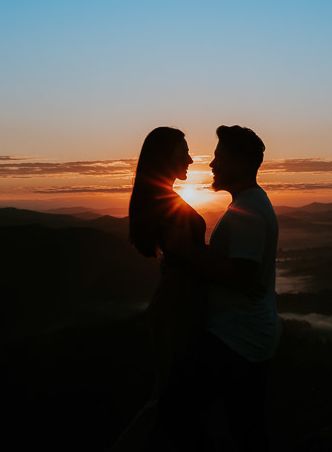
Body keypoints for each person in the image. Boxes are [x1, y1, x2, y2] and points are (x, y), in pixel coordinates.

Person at [159, 125, 280, 452]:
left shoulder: (249, 211)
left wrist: (187, 251)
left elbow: (242, 276)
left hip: (235, 338)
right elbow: (243, 274)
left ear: (240, 162)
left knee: (175, 411)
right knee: (246, 427)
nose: (211, 165)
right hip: (249, 335)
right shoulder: (251, 203)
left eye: (219, 157)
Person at [111, 127, 209, 451]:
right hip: (177, 305)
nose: (191, 159)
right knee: (165, 400)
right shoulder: (164, 202)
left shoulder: (161, 198)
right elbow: (187, 254)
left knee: (173, 397)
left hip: (179, 302)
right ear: (165, 158)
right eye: (184, 152)